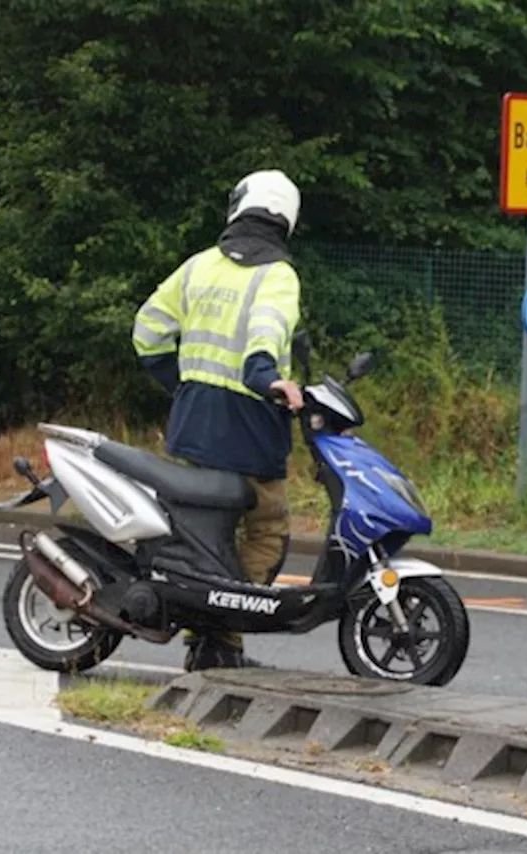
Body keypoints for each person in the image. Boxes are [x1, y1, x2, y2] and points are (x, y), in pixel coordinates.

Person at [131, 169, 304, 671]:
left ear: (237, 206)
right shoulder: (277, 274)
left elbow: (147, 333)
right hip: (250, 431)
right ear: (287, 219)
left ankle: (203, 632)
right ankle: (219, 638)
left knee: (197, 536)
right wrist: (266, 376)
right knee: (267, 531)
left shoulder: (198, 267)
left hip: (192, 427)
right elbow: (266, 331)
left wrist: (180, 386)